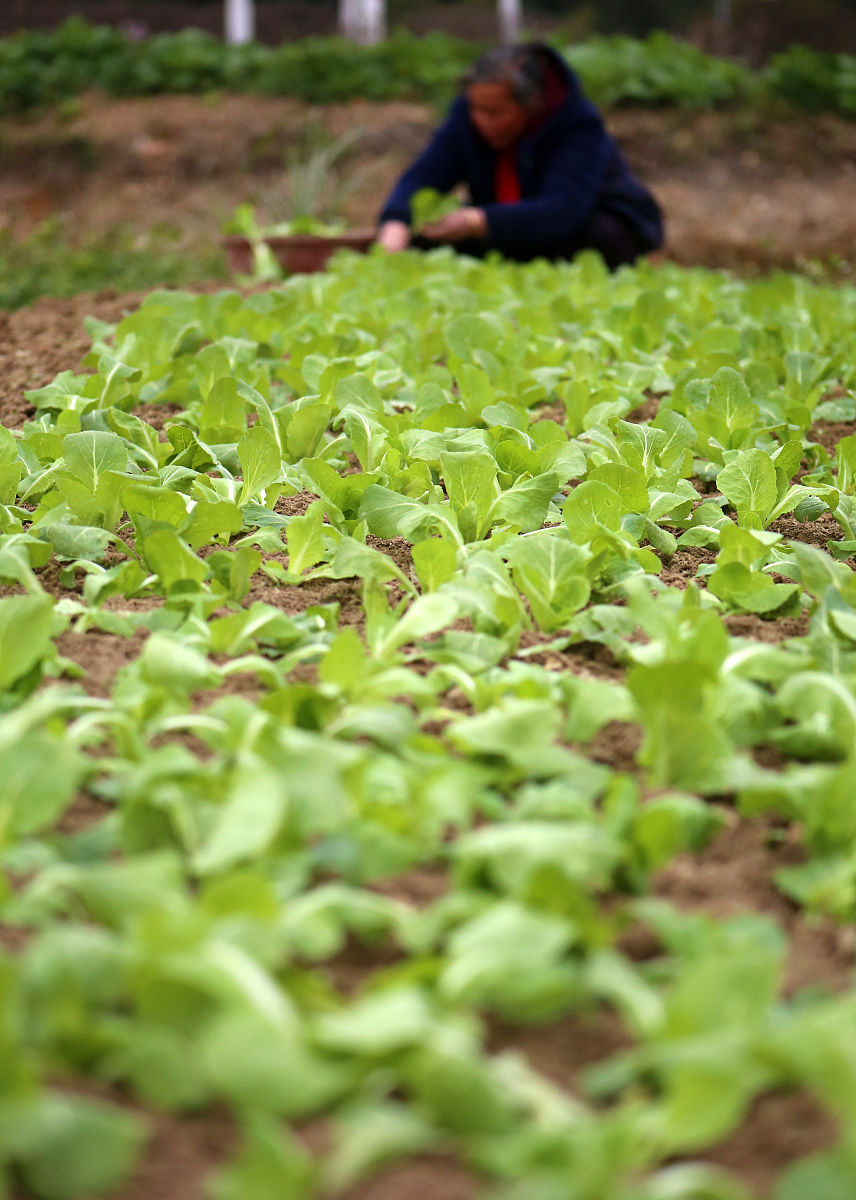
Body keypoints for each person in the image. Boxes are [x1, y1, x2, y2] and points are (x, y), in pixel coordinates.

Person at [377, 42, 664, 268]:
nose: (482, 121)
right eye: (476, 110)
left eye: (495, 113)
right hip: (506, 228)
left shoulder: (576, 123)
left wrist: (477, 221)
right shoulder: (465, 118)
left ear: (531, 104)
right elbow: (423, 176)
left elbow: (563, 210)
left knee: (603, 236)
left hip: (576, 229)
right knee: (429, 240)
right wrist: (396, 222)